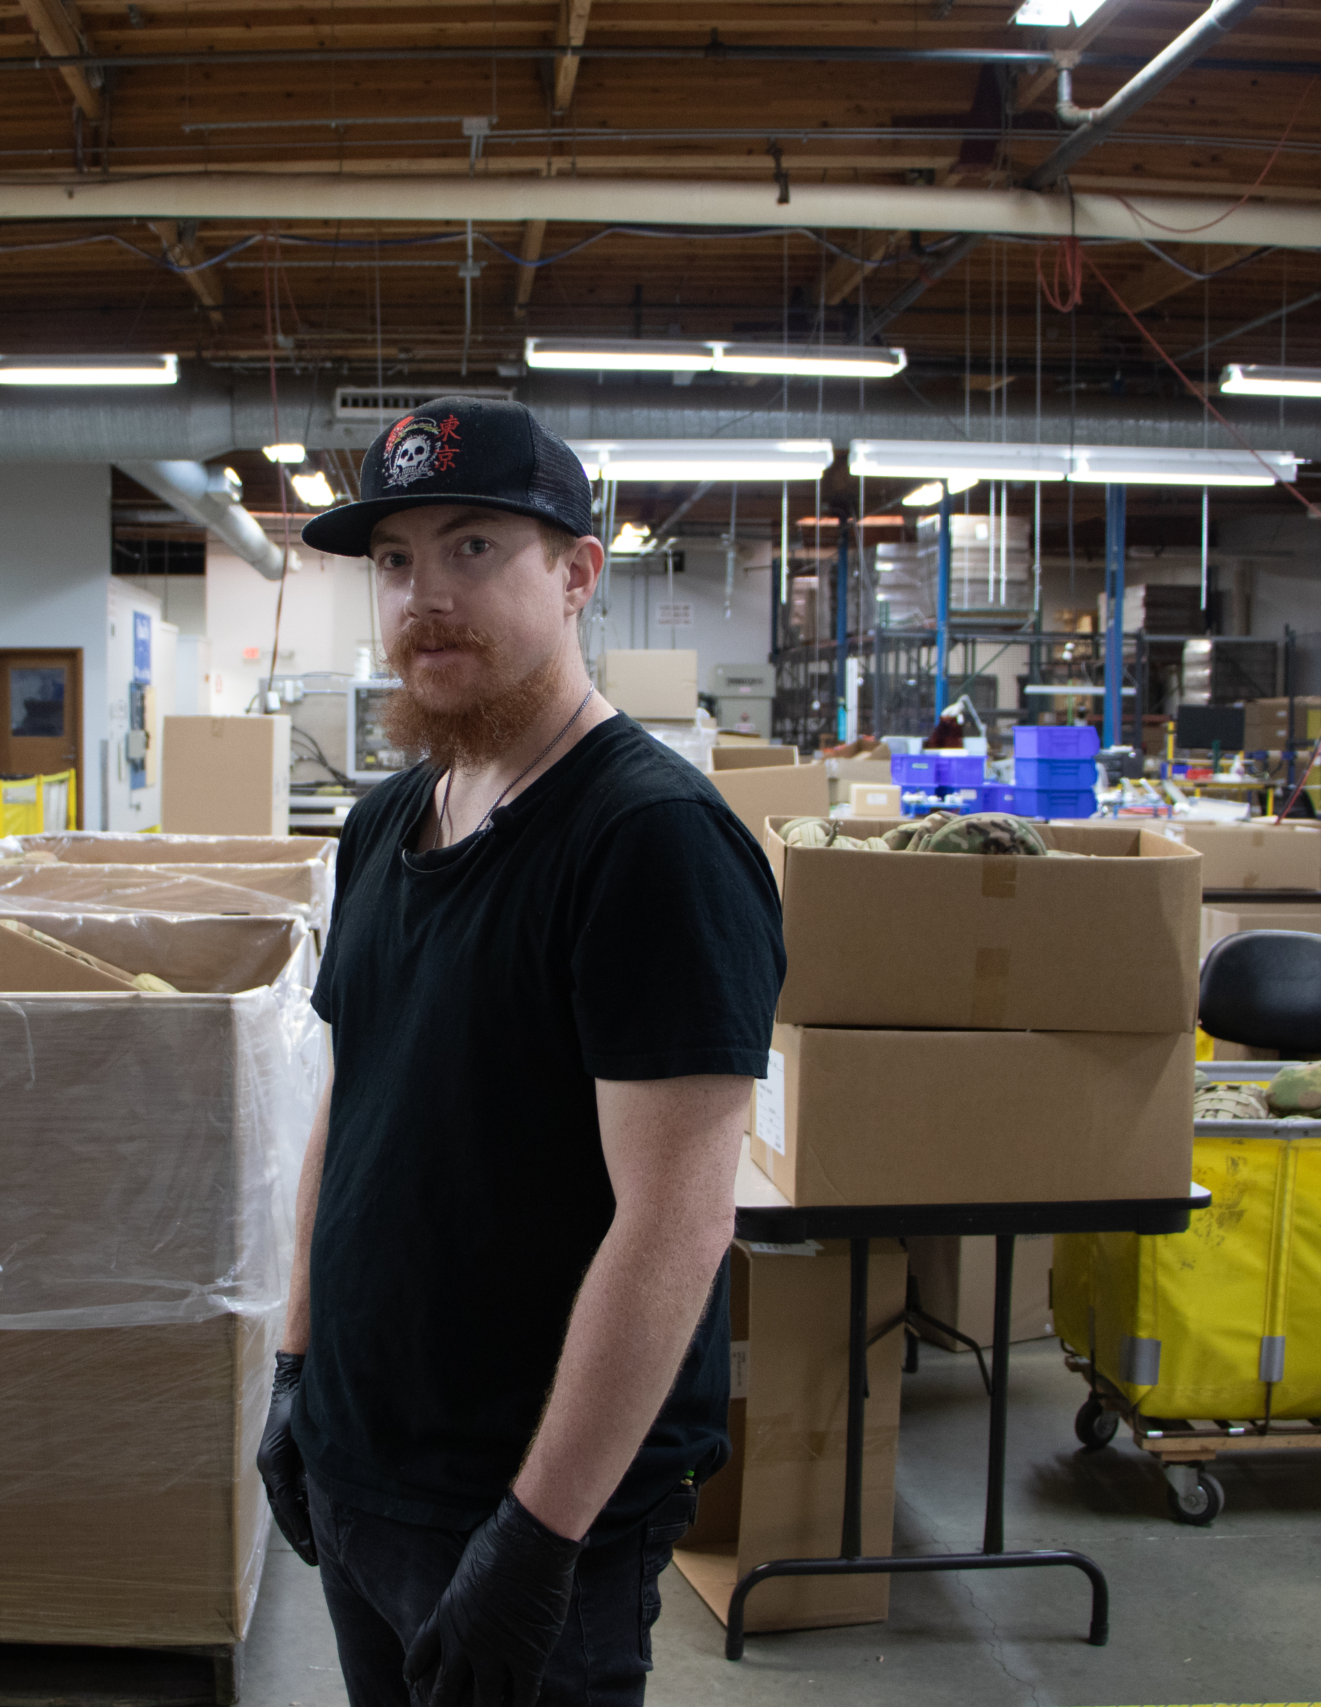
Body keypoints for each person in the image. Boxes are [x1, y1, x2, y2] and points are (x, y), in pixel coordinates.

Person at [257, 395, 787, 1707]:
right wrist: (295, 1366)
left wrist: (540, 1534)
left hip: (526, 1507)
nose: (425, 594)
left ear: (578, 572)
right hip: (362, 1467)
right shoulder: (381, 827)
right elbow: (351, 1104)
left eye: (474, 547)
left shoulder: (648, 843)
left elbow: (678, 1222)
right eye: (394, 560)